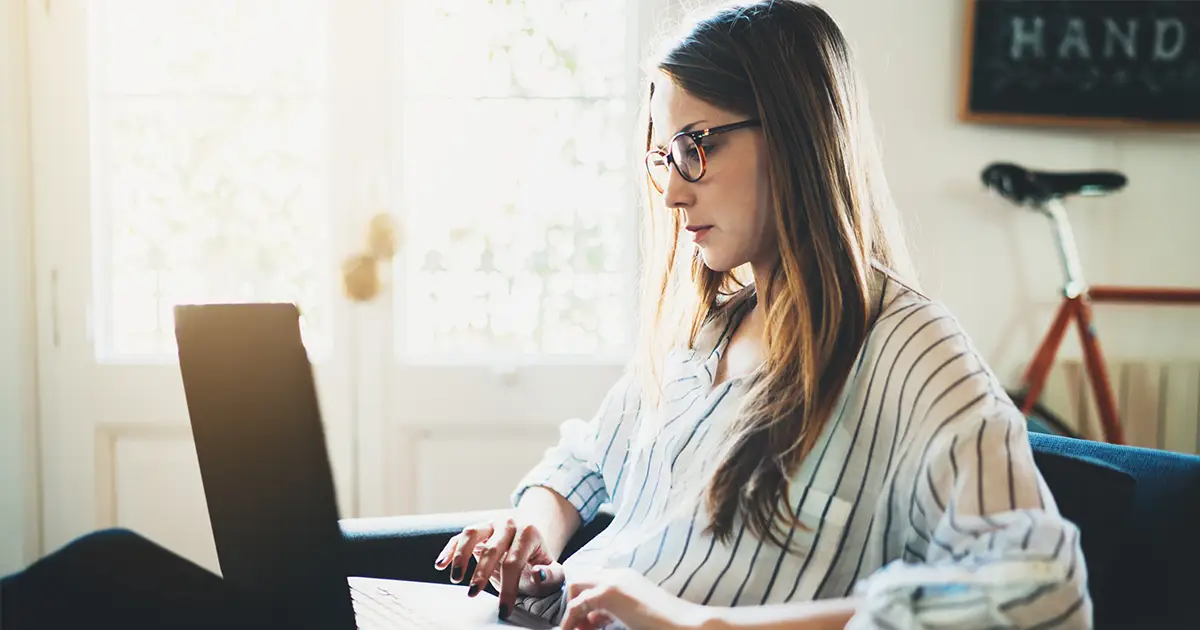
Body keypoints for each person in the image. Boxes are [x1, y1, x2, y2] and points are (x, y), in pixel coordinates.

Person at [433, 2, 1091, 629]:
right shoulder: (703, 331)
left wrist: (702, 624)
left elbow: (1042, 593)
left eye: (696, 146)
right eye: (663, 156)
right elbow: (585, 458)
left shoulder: (907, 349)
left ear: (796, 135)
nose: (670, 191)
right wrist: (533, 535)